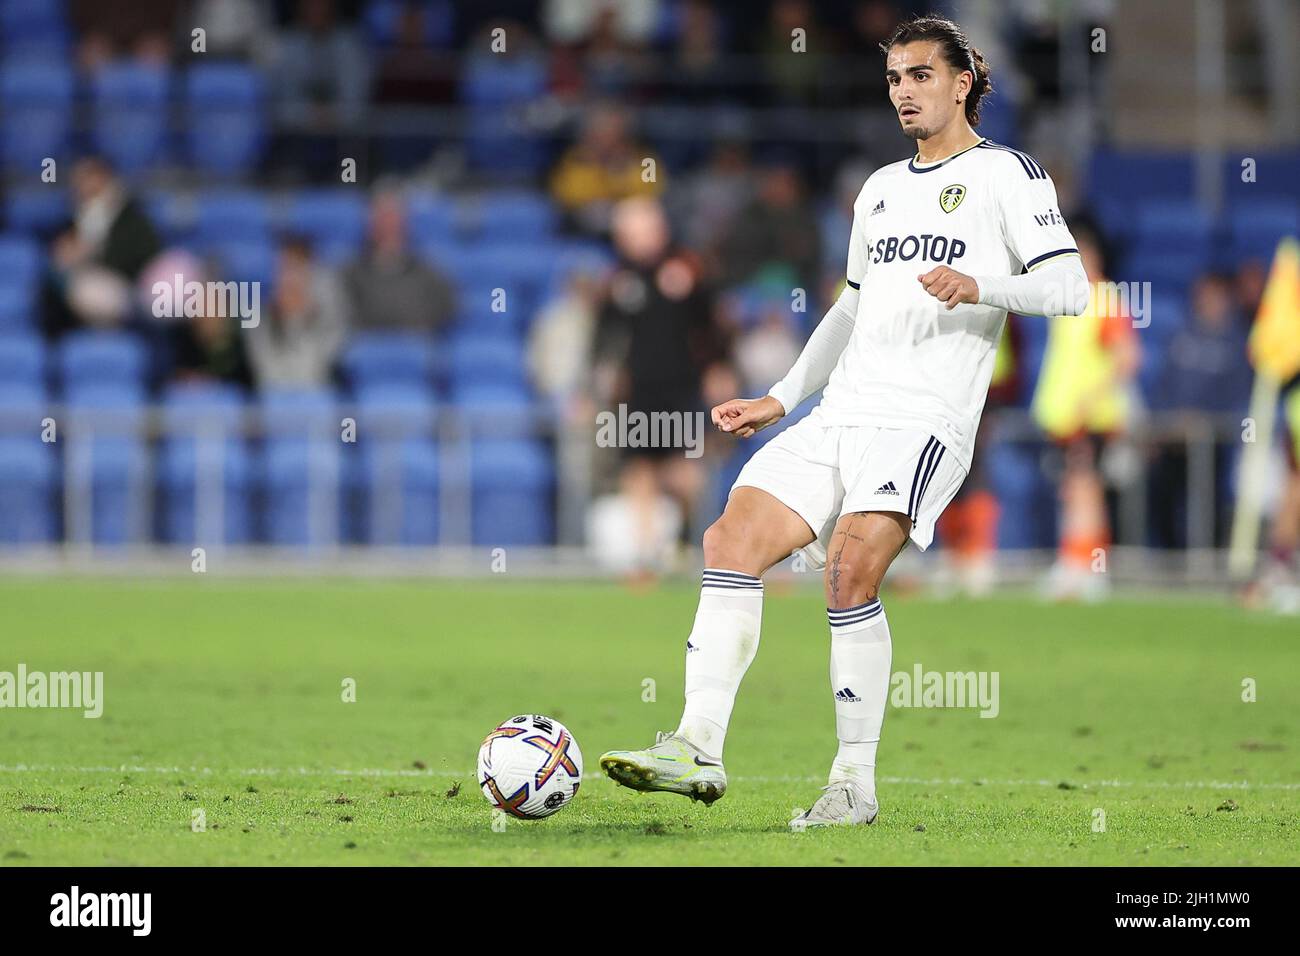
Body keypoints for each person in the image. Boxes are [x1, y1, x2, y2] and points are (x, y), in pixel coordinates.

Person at [598, 15, 1089, 826]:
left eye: (921, 75)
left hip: (924, 418)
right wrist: (784, 396)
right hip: (844, 408)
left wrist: (982, 285)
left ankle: (852, 785)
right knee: (730, 539)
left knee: (847, 573)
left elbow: (1070, 288)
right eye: (895, 78)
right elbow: (849, 308)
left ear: (962, 81)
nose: (904, 91)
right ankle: (696, 745)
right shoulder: (880, 189)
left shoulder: (1010, 174)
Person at [1030, 223, 1139, 600]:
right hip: (1066, 415)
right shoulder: (1070, 300)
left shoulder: (1104, 299)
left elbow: (1127, 358)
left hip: (1091, 415)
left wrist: (1092, 398)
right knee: (1076, 490)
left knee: (1085, 490)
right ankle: (1078, 565)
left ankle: (1087, 568)